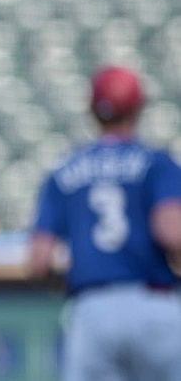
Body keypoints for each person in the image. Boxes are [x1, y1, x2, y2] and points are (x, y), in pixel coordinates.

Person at [29, 65, 181, 381]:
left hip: (92, 308)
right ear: (138, 108)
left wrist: (66, 278)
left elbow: (39, 260)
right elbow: (171, 232)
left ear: (93, 110)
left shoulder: (64, 169)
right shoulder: (157, 162)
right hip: (153, 302)